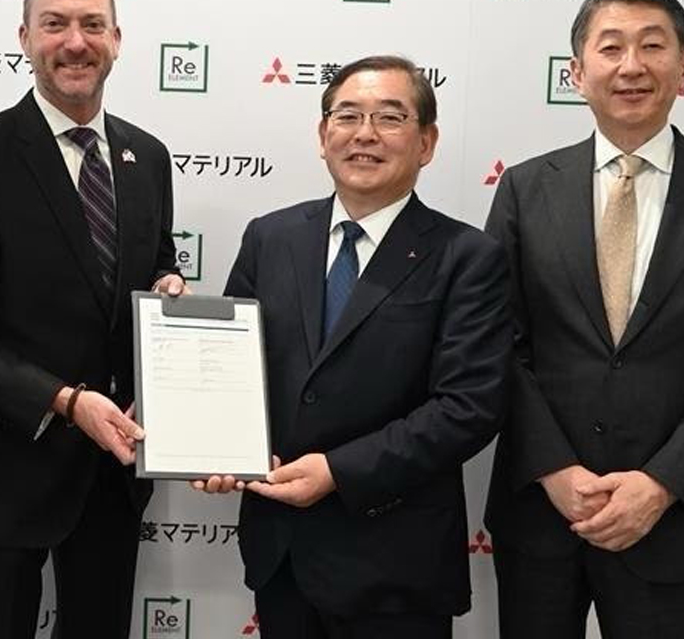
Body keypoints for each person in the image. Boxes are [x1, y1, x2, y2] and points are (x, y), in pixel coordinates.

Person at [484, 0, 684, 638]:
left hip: (673, 522)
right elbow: (499, 344)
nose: (631, 66)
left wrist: (661, 484)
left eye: (652, 45)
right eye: (611, 47)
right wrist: (555, 470)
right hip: (543, 515)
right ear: (576, 72)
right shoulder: (526, 189)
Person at [0, 0, 187, 639]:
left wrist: (169, 286)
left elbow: (153, 261)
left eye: (92, 24)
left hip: (113, 476)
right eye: (55, 23)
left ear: (117, 39)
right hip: (2, 477)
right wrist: (64, 401)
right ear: (25, 37)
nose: (75, 42)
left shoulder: (148, 157)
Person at [201, 55, 512, 638]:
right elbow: (229, 372)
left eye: (389, 117)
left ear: (426, 143)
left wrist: (338, 472)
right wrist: (215, 447)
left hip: (397, 566)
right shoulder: (270, 237)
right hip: (283, 555)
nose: (364, 133)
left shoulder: (468, 257)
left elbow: (468, 408)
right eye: (347, 116)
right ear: (323, 135)